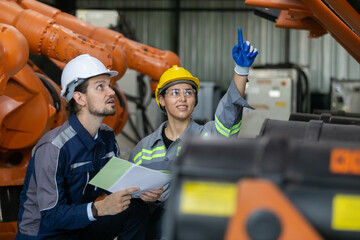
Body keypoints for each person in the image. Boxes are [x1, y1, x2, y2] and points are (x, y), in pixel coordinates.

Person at [128, 27, 258, 239]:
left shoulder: (210, 137)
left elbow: (230, 109)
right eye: (175, 93)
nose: (182, 98)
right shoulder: (143, 148)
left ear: (195, 100)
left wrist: (241, 70)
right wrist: (145, 198)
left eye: (189, 92)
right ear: (161, 100)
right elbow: (131, 196)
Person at [16, 54, 150, 240]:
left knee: (137, 209)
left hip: (82, 226)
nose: (111, 92)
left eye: (109, 85)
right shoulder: (53, 147)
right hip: (46, 233)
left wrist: (143, 192)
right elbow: (50, 216)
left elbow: (115, 186)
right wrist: (99, 209)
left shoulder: (107, 136)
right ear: (80, 98)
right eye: (100, 87)